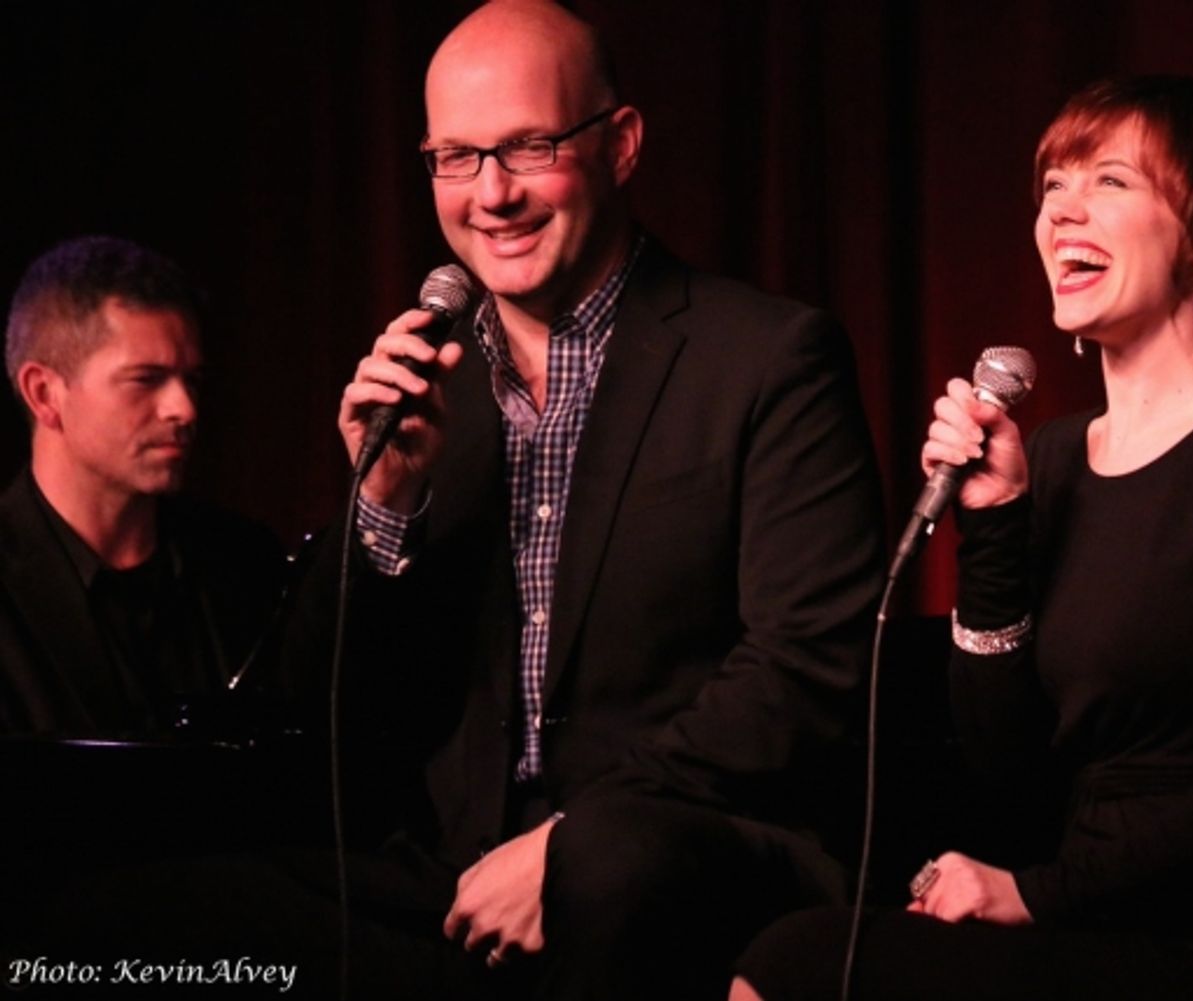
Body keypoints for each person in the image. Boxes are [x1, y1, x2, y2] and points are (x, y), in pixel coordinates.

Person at [732, 75, 1193, 1000]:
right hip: (1074, 908)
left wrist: (1033, 893)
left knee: (800, 964)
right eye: (1051, 188)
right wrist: (991, 528)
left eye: (1108, 181)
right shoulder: (1055, 456)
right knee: (789, 946)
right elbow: (1003, 764)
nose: (1063, 213)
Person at [306, 1, 884, 998]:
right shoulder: (427, 394)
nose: (491, 194)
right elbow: (337, 716)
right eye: (454, 156)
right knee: (164, 905)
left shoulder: (768, 359)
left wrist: (571, 838)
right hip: (460, 870)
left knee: (612, 869)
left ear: (619, 146)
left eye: (529, 147)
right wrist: (385, 506)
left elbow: (806, 668)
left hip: (683, 845)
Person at [0, 235, 286, 735]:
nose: (184, 409)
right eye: (145, 379)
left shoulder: (245, 563)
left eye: (191, 380)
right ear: (44, 393)